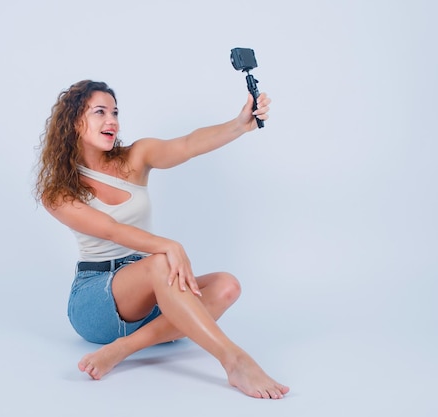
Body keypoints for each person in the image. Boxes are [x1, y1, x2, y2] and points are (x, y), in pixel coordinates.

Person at [35, 79, 289, 399]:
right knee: (159, 262)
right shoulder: (57, 192)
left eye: (115, 112)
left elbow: (187, 144)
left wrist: (239, 124)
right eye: (100, 112)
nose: (111, 120)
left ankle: (125, 347)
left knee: (226, 285)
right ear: (73, 121)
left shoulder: (136, 157)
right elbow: (110, 230)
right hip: (95, 296)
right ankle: (234, 360)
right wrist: (169, 245)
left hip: (152, 290)